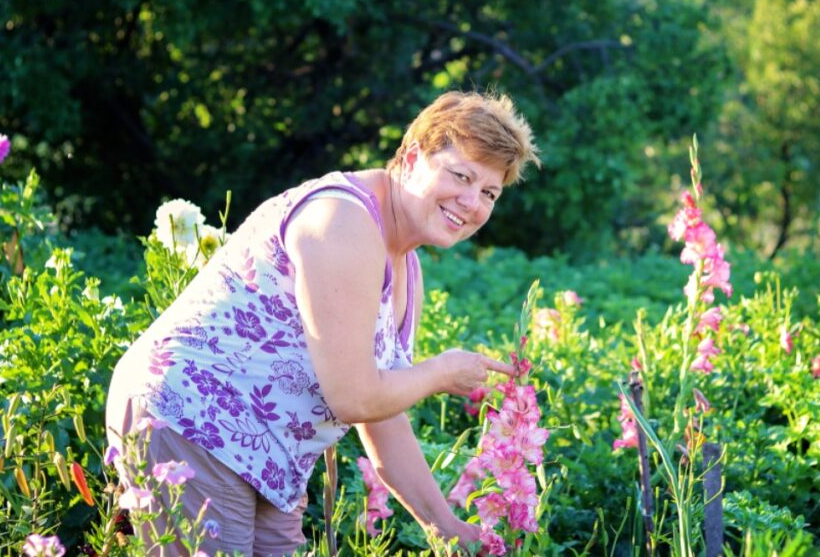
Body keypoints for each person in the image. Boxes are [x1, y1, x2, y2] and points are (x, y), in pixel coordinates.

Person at [105, 90, 540, 556]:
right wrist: (442, 373)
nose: (472, 202)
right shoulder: (344, 221)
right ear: (413, 158)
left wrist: (445, 525)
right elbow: (354, 397)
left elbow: (383, 415)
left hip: (264, 454)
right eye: (461, 175)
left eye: (489, 192)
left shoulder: (405, 262)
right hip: (192, 418)